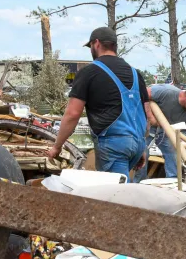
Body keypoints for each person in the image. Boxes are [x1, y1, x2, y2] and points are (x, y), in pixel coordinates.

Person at [48, 27, 150, 180]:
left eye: (90, 47)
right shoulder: (136, 74)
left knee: (115, 195)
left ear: (96, 43)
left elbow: (72, 114)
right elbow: (146, 114)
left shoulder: (89, 72)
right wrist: (140, 147)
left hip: (114, 145)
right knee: (123, 190)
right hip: (137, 143)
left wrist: (57, 146)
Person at [134, 84, 186, 182]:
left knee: (172, 152)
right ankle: (139, 183)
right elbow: (143, 93)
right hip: (146, 125)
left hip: (165, 128)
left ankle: (173, 182)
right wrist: (150, 116)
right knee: (142, 153)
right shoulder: (167, 92)